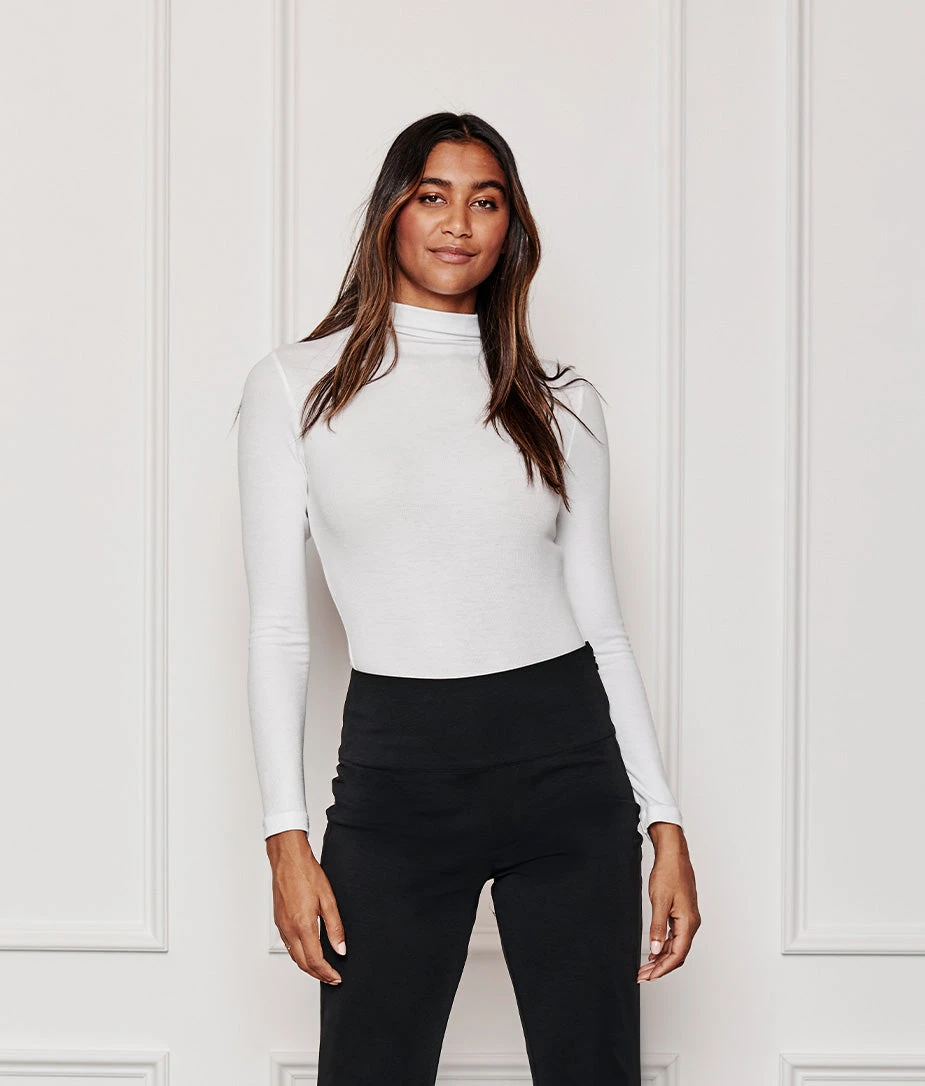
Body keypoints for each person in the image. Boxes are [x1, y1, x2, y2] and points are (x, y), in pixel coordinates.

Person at [235, 111, 700, 1086]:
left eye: (485, 201)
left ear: (510, 227)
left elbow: (602, 624)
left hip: (568, 771)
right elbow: (280, 629)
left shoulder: (560, 400)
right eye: (433, 196)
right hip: (397, 776)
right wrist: (285, 837)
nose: (458, 222)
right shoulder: (296, 388)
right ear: (392, 213)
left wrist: (663, 822)